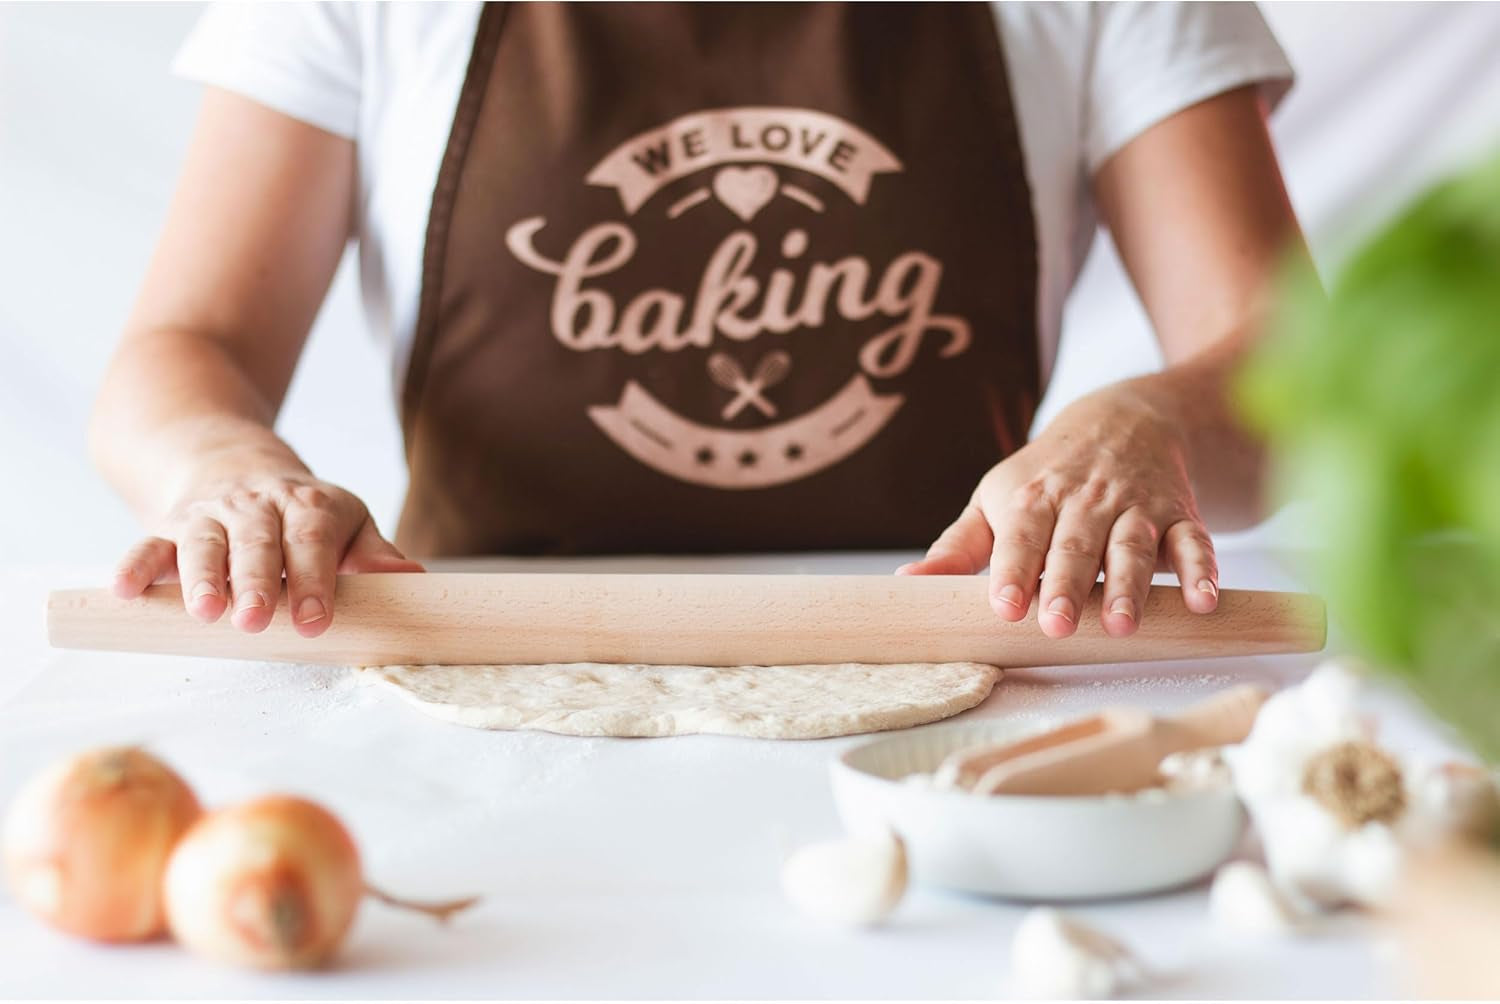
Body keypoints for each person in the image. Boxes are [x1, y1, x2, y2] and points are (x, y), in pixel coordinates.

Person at [93, 2, 1304, 643]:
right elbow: (185, 347)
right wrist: (221, 466)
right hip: (473, 651)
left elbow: (1296, 376)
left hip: (965, 657)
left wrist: (1145, 419)